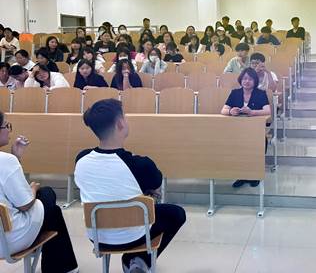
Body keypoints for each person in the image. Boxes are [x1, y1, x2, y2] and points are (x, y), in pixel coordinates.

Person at [74, 99, 186, 272]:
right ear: (120, 123)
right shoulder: (141, 164)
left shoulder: (81, 159)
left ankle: (135, 259)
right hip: (136, 236)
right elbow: (156, 187)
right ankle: (137, 258)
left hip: (97, 236)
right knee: (176, 213)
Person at [0, 111, 79, 272]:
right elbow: (24, 205)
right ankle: (61, 267)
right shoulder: (6, 161)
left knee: (52, 210)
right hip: (8, 240)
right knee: (47, 194)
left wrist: (16, 157)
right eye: (6, 126)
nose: (9, 130)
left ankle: (64, 267)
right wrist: (33, 189)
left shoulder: (8, 160)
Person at [221, 68, 271, 188]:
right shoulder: (235, 93)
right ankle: (241, 175)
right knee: (237, 148)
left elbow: (267, 111)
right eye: (244, 78)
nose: (247, 81)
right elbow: (223, 110)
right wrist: (230, 111)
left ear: (255, 81)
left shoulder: (260, 93)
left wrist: (252, 112)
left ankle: (254, 176)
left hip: (255, 130)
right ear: (241, 80)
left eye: (250, 79)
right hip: (238, 130)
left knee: (259, 144)